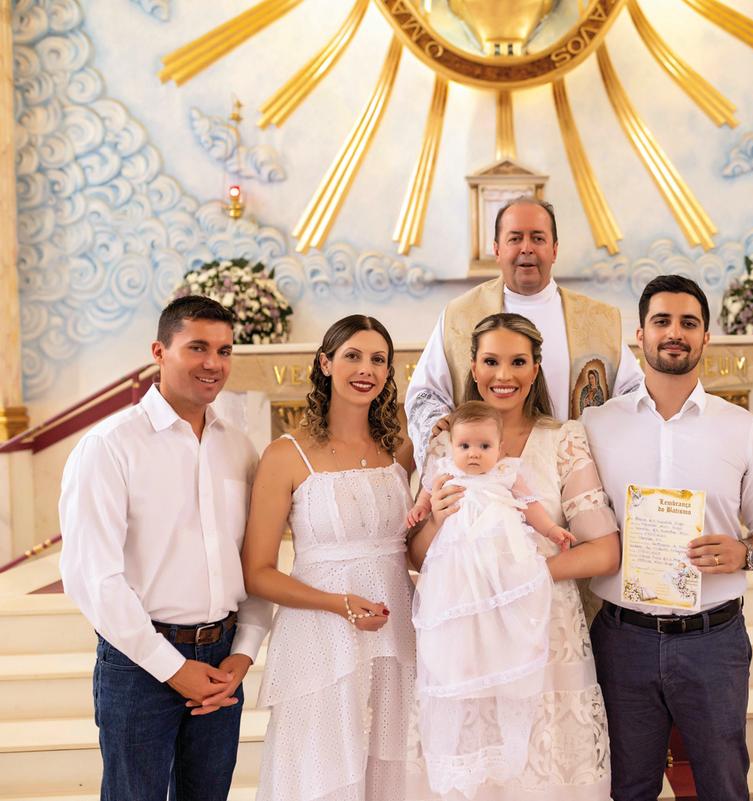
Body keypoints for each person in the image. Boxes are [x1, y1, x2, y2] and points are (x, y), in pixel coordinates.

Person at [583, 274, 753, 801]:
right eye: (662, 321)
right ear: (640, 336)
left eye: (688, 323)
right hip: (623, 638)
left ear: (706, 339)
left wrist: (744, 552)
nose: (674, 333)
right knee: (626, 786)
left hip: (713, 641)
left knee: (723, 785)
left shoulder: (741, 428)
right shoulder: (595, 425)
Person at [59, 295, 272, 801]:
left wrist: (242, 655)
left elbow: (254, 563)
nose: (213, 363)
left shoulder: (238, 447)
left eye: (224, 350)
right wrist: (173, 668)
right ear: (159, 350)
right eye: (197, 347)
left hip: (222, 663)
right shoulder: (110, 446)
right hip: (139, 663)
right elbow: (94, 578)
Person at [410, 312, 620, 800]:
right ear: (475, 368)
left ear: (535, 369)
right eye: (491, 362)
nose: (503, 375)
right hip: (468, 640)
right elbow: (416, 554)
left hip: (543, 634)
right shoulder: (445, 443)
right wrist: (437, 521)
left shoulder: (562, 439)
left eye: (517, 362)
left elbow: (605, 551)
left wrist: (522, 574)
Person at [240, 315, 430, 801]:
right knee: (321, 765)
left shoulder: (400, 450)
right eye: (352, 356)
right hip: (320, 631)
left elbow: (406, 545)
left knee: (395, 757)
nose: (365, 369)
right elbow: (257, 572)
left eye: (378, 359)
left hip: (397, 624)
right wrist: (337, 603)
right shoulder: (286, 455)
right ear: (325, 363)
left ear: (389, 373)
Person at [408, 400, 576, 796]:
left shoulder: (507, 475)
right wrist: (417, 512)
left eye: (484, 446)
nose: (474, 454)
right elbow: (424, 501)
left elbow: (532, 508)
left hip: (504, 576)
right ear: (452, 448)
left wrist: (552, 531)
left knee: (507, 626)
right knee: (459, 633)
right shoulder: (443, 474)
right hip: (458, 577)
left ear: (500, 449)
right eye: (465, 446)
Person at [404, 196, 642, 466]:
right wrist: (438, 425)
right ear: (497, 249)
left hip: (573, 474)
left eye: (538, 238)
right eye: (515, 238)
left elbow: (633, 394)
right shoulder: (459, 316)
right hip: (485, 478)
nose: (526, 248)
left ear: (554, 250)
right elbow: (426, 394)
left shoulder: (598, 320)